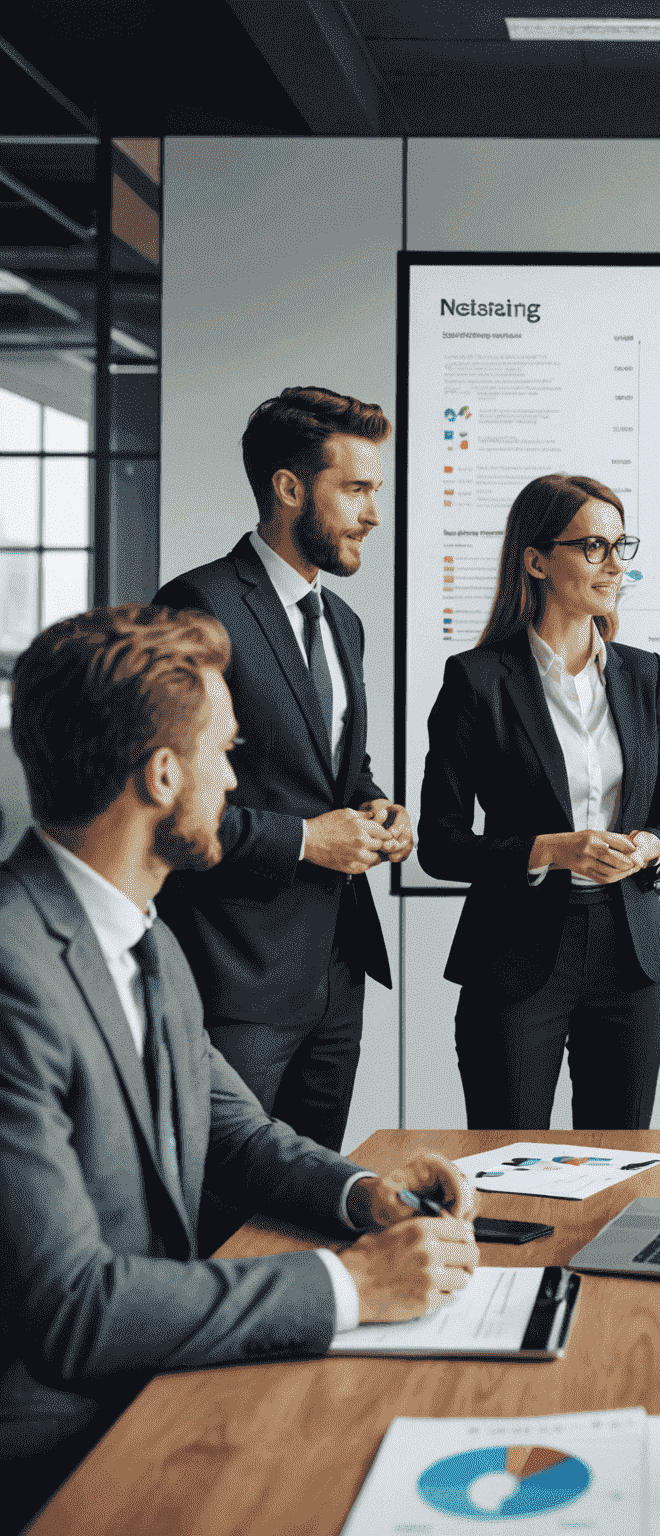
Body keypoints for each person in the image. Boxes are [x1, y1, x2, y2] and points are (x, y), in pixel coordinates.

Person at [0, 605, 478, 1535]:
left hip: (162, 1384)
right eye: (224, 752)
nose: (235, 777)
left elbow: (236, 1130)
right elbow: (72, 1309)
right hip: (58, 1450)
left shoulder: (146, 937)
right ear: (162, 774)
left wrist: (363, 1196)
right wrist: (355, 1288)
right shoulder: (14, 973)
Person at [153, 387, 410, 1163]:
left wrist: (376, 808)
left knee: (308, 1190)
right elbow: (167, 804)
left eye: (377, 491)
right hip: (239, 973)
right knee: (226, 1201)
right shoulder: (198, 606)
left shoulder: (344, 622)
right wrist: (304, 841)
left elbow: (334, 770)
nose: (372, 512)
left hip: (336, 969)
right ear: (288, 487)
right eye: (356, 489)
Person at [419, 473, 660, 1130]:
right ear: (538, 560)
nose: (614, 564)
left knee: (621, 1169)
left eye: (621, 547)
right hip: (516, 959)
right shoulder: (476, 681)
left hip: (631, 959)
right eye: (593, 547)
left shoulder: (643, 675)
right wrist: (550, 850)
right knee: (509, 1170)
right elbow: (439, 843)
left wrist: (650, 847)